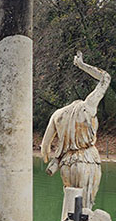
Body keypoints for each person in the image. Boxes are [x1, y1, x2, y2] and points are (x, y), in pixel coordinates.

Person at [39, 51, 111, 209]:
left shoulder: (58, 115)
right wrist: (81, 65)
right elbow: (105, 78)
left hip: (66, 163)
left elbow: (44, 146)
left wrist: (49, 159)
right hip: (87, 160)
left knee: (70, 207)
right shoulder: (88, 106)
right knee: (86, 206)